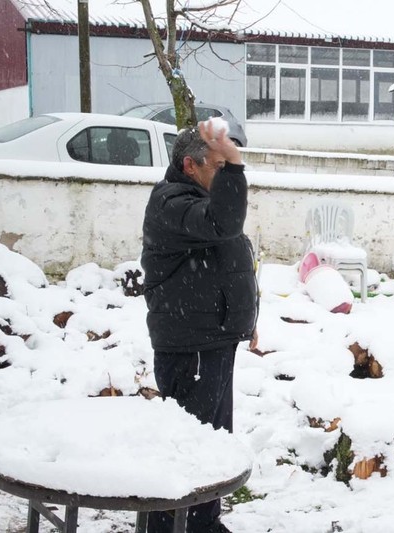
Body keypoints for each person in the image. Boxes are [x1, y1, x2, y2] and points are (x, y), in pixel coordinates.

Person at [141, 121, 259, 533]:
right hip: (188, 344)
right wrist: (237, 167)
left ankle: (204, 522)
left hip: (213, 339)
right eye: (217, 165)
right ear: (190, 165)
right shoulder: (172, 203)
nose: (224, 172)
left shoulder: (198, 199)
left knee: (213, 441)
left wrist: (245, 321)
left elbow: (229, 264)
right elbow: (223, 225)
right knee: (186, 446)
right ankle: (170, 527)